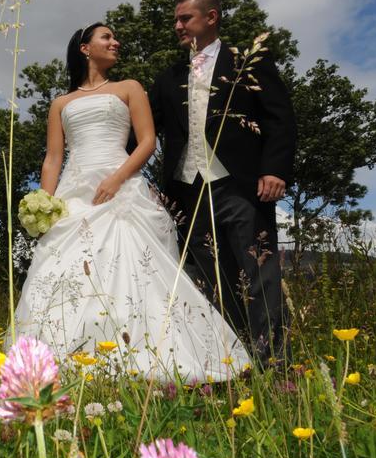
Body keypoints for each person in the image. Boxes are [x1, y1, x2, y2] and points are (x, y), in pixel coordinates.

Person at [13, 22, 250, 383]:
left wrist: (117, 178)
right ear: (84, 48)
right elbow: (52, 158)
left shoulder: (129, 88)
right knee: (66, 271)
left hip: (119, 183)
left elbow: (147, 142)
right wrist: (45, 204)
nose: (115, 42)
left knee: (133, 267)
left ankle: (151, 356)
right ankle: (62, 361)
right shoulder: (61, 102)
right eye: (106, 37)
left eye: (115, 37)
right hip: (74, 192)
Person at [149, 0, 296, 367]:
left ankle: (274, 366)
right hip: (188, 192)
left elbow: (279, 117)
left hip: (242, 186)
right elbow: (144, 129)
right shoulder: (168, 79)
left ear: (211, 17)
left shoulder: (248, 61)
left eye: (186, 18)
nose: (178, 26)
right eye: (177, 20)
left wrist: (275, 169)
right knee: (214, 282)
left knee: (260, 274)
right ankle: (233, 363)